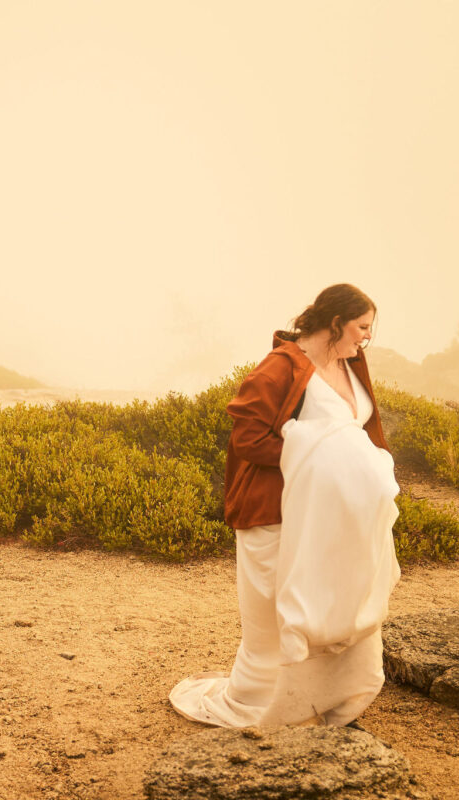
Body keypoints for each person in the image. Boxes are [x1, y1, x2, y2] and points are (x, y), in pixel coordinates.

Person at [169, 283, 400, 727]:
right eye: (362, 327)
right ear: (335, 323)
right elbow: (249, 440)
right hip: (278, 512)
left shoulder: (351, 364)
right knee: (276, 616)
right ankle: (266, 702)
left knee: (335, 602)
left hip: (335, 517)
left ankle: (326, 696)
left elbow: (359, 433)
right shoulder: (283, 365)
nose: (366, 338)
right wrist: (325, 461)